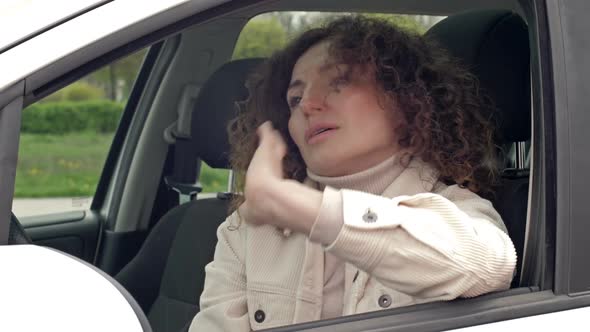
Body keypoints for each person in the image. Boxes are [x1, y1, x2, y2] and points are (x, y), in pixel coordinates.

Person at [189, 15, 516, 331]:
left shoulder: (453, 207)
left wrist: (294, 206)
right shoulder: (245, 231)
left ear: (404, 97)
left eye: (339, 81)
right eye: (295, 98)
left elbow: (489, 266)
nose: (308, 104)